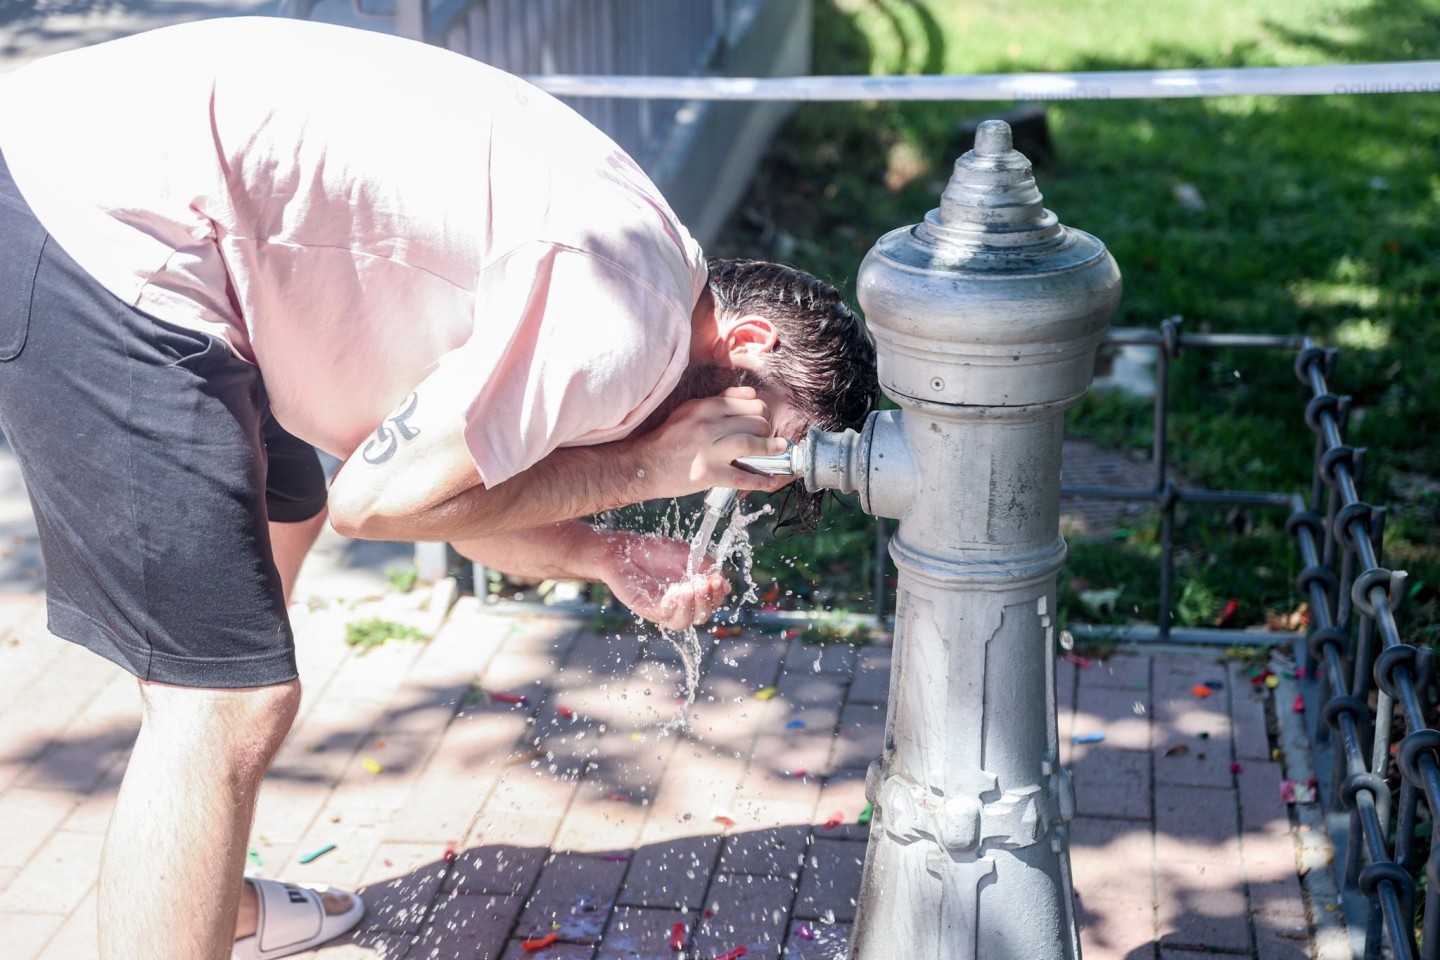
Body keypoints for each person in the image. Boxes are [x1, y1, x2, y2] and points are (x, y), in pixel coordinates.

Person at [0, 15, 878, 960]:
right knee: (222, 702)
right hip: (104, 208)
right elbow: (377, 505)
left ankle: (209, 900)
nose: (735, 474)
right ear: (747, 345)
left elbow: (465, 501)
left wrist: (606, 554)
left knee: (274, 534)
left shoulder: (656, 283)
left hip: (175, 201)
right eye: (759, 439)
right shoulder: (622, 322)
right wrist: (642, 472)